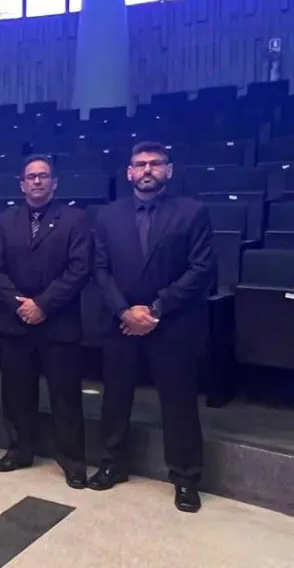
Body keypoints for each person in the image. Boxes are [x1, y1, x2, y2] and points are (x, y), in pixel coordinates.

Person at [92, 141, 214, 513]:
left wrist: (156, 309)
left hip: (172, 326)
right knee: (115, 399)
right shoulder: (108, 216)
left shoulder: (192, 213)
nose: (147, 169)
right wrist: (124, 312)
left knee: (178, 404)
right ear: (129, 172)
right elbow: (100, 270)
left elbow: (201, 269)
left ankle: (185, 478)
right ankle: (112, 464)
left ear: (168, 170)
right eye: (140, 164)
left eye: (155, 163)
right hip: (121, 325)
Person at [0, 155, 91, 489]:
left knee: (65, 397)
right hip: (15, 322)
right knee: (16, 394)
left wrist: (42, 305)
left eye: (42, 176)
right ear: (22, 184)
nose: (36, 181)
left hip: (58, 323)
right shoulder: (5, 220)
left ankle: (72, 461)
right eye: (30, 177)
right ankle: (19, 451)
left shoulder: (75, 219)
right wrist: (21, 305)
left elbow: (79, 269)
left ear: (54, 183)